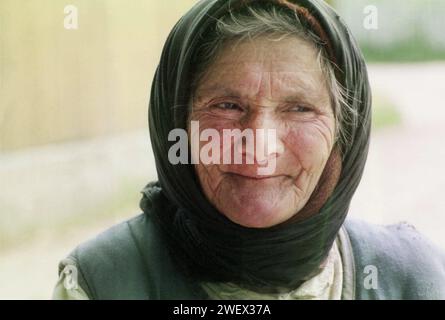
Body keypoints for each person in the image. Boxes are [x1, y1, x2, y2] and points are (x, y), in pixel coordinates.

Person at [53, 0, 445, 300]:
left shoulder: (412, 277)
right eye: (228, 106)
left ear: (344, 133)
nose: (259, 146)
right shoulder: (101, 281)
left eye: (299, 108)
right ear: (176, 124)